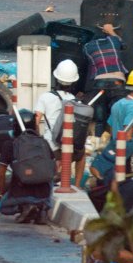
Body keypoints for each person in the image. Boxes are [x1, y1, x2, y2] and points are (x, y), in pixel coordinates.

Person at [35, 59, 86, 187]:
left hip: (50, 147)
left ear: (56, 78)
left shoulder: (45, 97)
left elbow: (36, 119)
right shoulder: (76, 102)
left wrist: (37, 139)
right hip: (69, 149)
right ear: (74, 82)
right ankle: (78, 185)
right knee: (82, 155)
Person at [0, 109, 52, 224]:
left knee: (4, 207)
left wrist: (1, 193)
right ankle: (42, 209)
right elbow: (54, 166)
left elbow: (1, 173)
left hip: (21, 191)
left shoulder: (10, 144)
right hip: (44, 194)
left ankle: (24, 207)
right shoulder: (44, 143)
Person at [83, 23, 126, 136]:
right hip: (117, 81)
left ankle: (97, 141)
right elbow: (123, 43)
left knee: (99, 119)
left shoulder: (88, 47)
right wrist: (111, 31)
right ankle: (118, 143)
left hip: (100, 84)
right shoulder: (113, 42)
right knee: (119, 117)